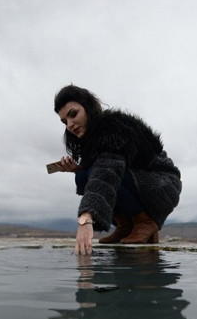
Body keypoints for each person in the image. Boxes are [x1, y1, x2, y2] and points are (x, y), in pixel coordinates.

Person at [52, 84, 182, 255]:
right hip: (139, 182)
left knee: (94, 173)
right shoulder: (91, 138)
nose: (69, 125)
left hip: (162, 184)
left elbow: (107, 171)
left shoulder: (112, 127)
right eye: (64, 121)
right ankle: (126, 225)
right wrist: (78, 169)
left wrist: (85, 219)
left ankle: (145, 222)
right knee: (82, 176)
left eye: (73, 114)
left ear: (88, 107)